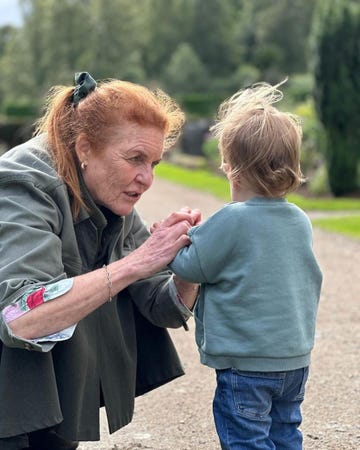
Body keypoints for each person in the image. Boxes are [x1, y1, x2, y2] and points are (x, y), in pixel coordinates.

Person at [0, 72, 201, 450]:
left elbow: (162, 308)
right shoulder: (22, 183)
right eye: (135, 159)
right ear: (85, 148)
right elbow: (20, 318)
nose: (146, 178)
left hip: (56, 401)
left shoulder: (108, 191)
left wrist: (191, 265)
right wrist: (137, 262)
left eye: (155, 163)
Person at [168, 81, 323, 449]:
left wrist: (175, 237)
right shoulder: (299, 219)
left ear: (230, 169)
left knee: (247, 439)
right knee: (285, 433)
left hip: (246, 365)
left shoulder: (233, 219)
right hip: (293, 359)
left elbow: (191, 267)